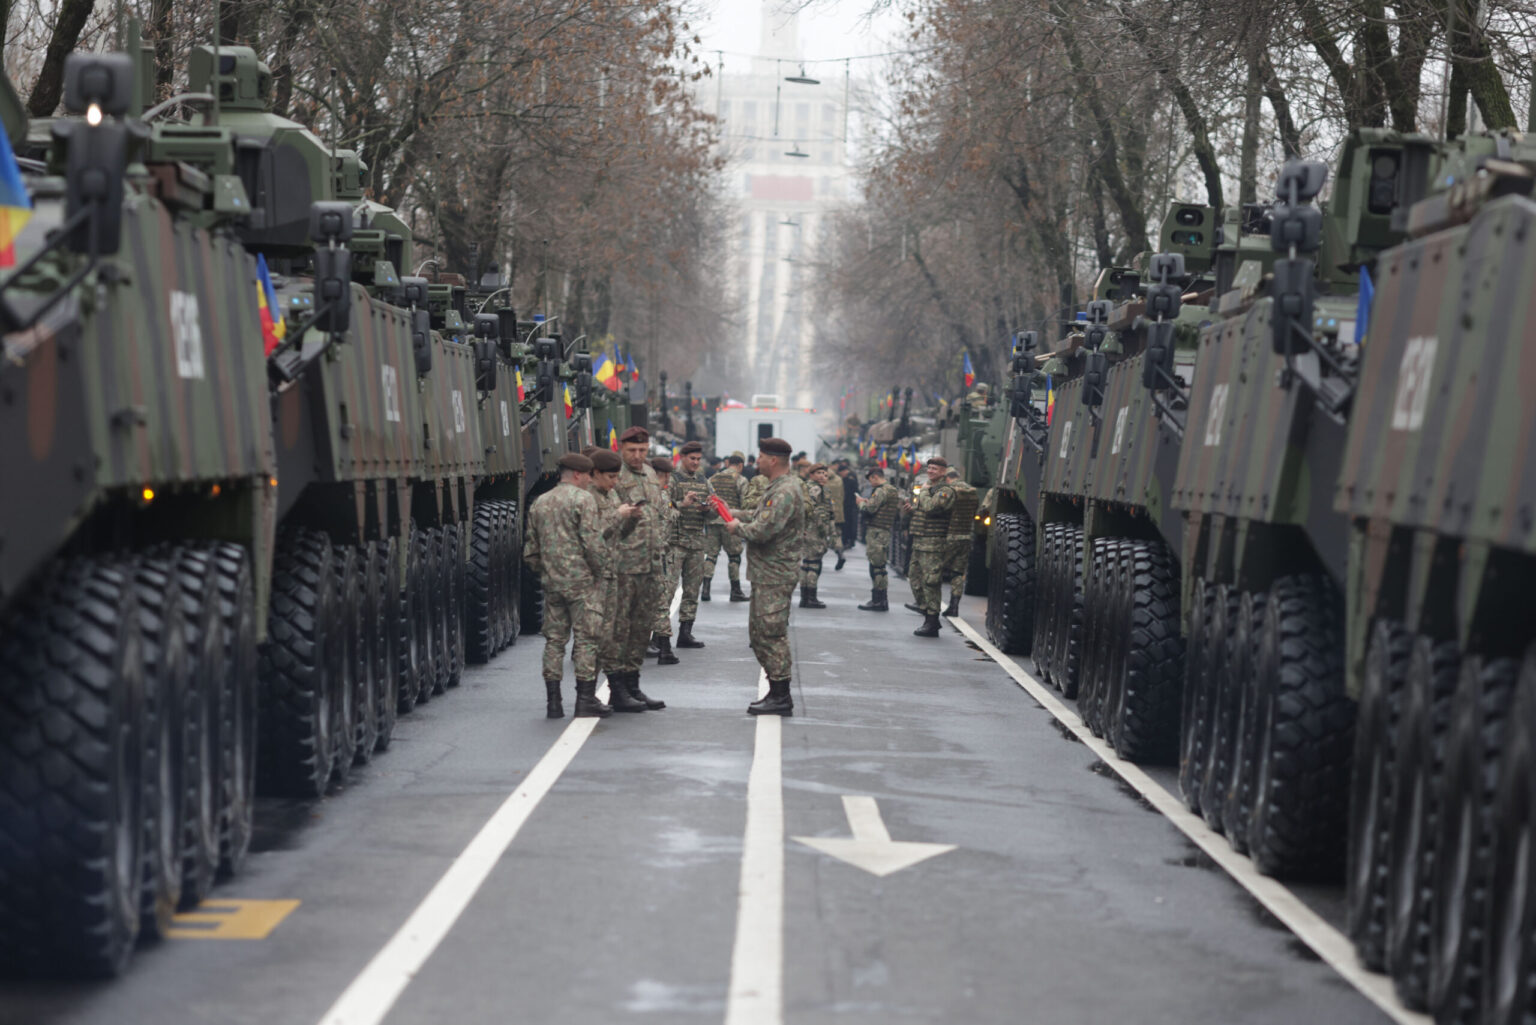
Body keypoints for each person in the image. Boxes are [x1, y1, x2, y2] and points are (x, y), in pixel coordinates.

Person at [524, 453, 610, 718]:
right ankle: (584, 700)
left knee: (554, 641)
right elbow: (593, 545)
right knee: (586, 639)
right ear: (577, 474)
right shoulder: (583, 500)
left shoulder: (539, 502)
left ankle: (553, 702)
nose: (588, 481)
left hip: (552, 583)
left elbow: (531, 551)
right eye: (586, 476)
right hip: (582, 582)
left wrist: (547, 572)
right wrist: (600, 573)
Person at [725, 437, 806, 716]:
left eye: (760, 457)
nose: (756, 461)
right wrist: (731, 513)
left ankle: (781, 696)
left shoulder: (785, 490)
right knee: (760, 634)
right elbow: (760, 514)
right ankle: (775, 691)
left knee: (771, 634)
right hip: (767, 573)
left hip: (775, 573)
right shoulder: (779, 487)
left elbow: (763, 529)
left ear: (772, 460)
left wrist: (737, 528)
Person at [608, 426, 667, 711]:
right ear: (622, 447)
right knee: (620, 628)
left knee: (642, 628)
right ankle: (616, 688)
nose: (637, 455)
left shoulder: (651, 474)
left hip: (651, 564)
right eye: (632, 450)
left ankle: (633, 684)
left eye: (642, 451)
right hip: (624, 564)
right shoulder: (613, 476)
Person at [586, 449, 634, 691]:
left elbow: (618, 533)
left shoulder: (611, 495)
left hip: (613, 570)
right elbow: (593, 534)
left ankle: (617, 690)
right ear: (595, 473)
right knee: (597, 634)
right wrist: (618, 515)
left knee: (614, 632)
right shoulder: (587, 497)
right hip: (595, 576)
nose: (615, 483)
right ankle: (591, 691)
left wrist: (631, 517)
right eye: (611, 477)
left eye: (617, 477)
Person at [666, 440, 713, 649]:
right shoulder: (672, 480)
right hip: (675, 543)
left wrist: (707, 509)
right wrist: (681, 504)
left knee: (692, 590)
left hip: (696, 544)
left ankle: (685, 632)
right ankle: (659, 636)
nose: (695, 463)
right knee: (667, 590)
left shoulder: (704, 482)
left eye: (698, 459)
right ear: (683, 458)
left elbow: (714, 508)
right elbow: (663, 506)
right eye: (691, 459)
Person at [905, 457, 956, 637]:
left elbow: (931, 508)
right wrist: (912, 511)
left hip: (934, 543)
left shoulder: (945, 491)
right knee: (914, 579)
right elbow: (923, 512)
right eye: (930, 468)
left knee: (930, 582)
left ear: (943, 471)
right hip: (920, 542)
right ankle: (926, 611)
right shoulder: (929, 489)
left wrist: (924, 493)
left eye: (935, 469)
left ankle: (932, 621)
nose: (931, 471)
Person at [648, 456, 681, 666]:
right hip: (655, 554)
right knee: (660, 603)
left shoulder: (652, 493)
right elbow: (668, 517)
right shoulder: (657, 494)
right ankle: (664, 648)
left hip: (651, 553)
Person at [703, 454, 749, 602]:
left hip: (713, 521)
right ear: (740, 465)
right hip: (730, 522)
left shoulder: (713, 479)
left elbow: (707, 499)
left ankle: (705, 589)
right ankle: (735, 591)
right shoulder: (740, 480)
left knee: (711, 556)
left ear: (728, 463)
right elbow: (745, 504)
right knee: (734, 557)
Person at [856, 467, 899, 611]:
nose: (870, 484)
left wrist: (861, 503)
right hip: (884, 531)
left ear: (875, 477)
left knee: (876, 567)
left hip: (876, 531)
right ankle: (881, 599)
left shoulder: (881, 490)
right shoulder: (892, 489)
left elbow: (870, 509)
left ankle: (878, 600)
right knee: (880, 566)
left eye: (870, 480)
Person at [941, 467, 980, 617]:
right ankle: (954, 606)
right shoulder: (972, 492)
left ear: (948, 478)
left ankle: (929, 604)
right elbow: (975, 510)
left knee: (936, 570)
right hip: (966, 536)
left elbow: (941, 508)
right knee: (957, 573)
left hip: (950, 536)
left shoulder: (950, 490)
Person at [799, 464, 834, 608]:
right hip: (814, 530)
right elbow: (812, 509)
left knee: (806, 564)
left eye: (825, 474)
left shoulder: (806, 487)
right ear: (811, 474)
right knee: (814, 563)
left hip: (807, 529)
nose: (822, 476)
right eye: (819, 473)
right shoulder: (815, 489)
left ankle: (805, 597)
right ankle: (811, 597)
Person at [825, 463, 846, 570]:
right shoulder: (839, 480)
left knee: (819, 535)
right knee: (836, 534)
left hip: (824, 512)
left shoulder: (823, 481)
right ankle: (840, 553)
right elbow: (842, 496)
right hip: (837, 511)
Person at [837, 463, 859, 551]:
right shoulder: (850, 477)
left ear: (844, 471)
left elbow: (850, 492)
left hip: (850, 505)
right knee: (848, 524)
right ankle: (848, 541)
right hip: (848, 504)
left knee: (849, 524)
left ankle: (848, 541)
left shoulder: (849, 478)